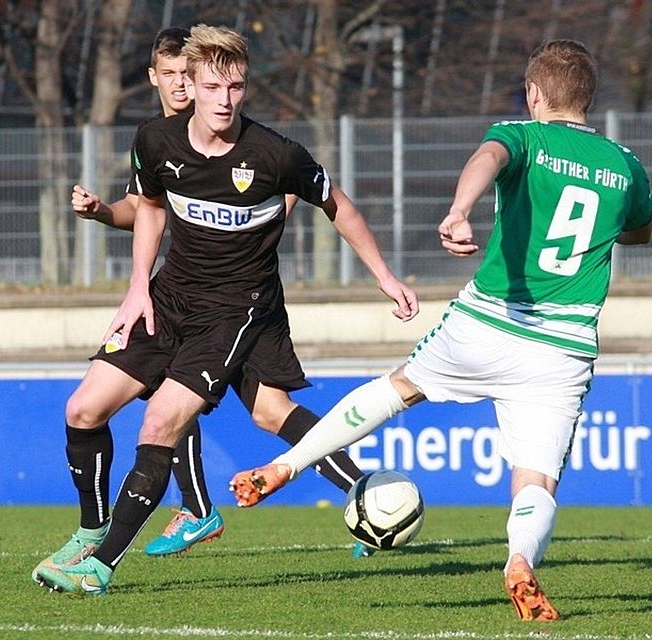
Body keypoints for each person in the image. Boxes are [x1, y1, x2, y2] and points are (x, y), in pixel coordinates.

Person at [230, 39, 652, 622]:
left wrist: (459, 209)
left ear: (534, 93)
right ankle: (519, 560)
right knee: (536, 479)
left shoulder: (523, 135)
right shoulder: (626, 165)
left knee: (396, 389)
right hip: (563, 344)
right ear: (588, 98)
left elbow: (488, 159)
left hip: (490, 319)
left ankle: (287, 464)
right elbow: (639, 231)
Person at [34, 23, 418, 595]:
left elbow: (339, 205)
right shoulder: (156, 142)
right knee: (83, 410)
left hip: (237, 311)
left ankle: (100, 567)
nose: (225, 99)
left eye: (235, 87)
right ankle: (90, 532)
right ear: (189, 84)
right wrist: (138, 284)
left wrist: (385, 276)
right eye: (213, 87)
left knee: (162, 420)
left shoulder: (275, 155)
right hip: (168, 298)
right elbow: (151, 211)